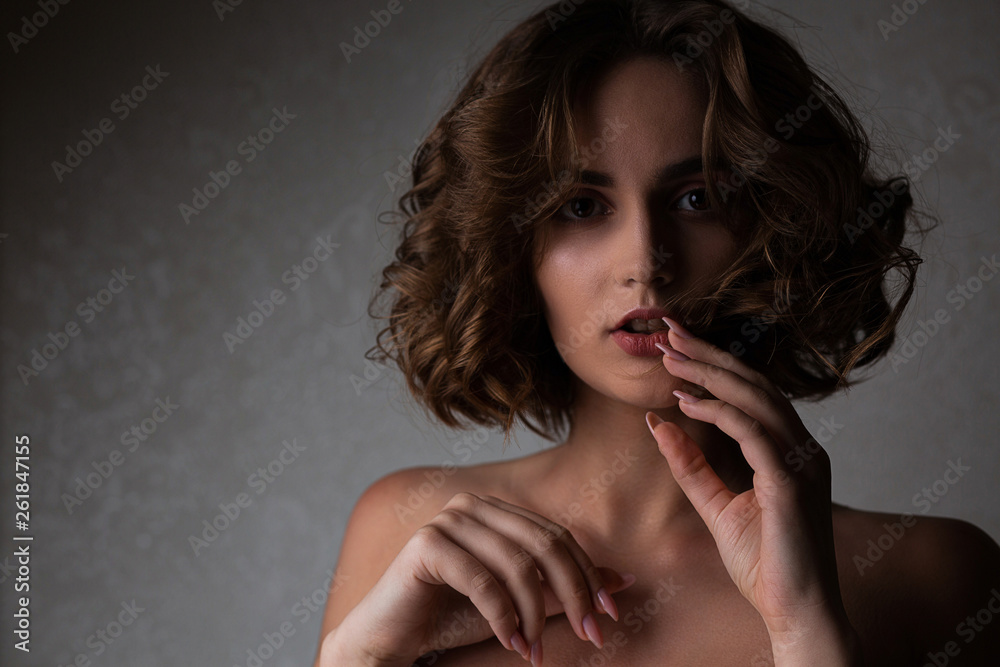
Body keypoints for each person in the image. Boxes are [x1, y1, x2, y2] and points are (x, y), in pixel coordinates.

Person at [315, 1, 1000, 664]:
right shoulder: (406, 530)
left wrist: (806, 630)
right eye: (581, 206)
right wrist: (358, 657)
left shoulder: (937, 577)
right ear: (510, 246)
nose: (645, 261)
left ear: (777, 229)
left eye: (697, 199)